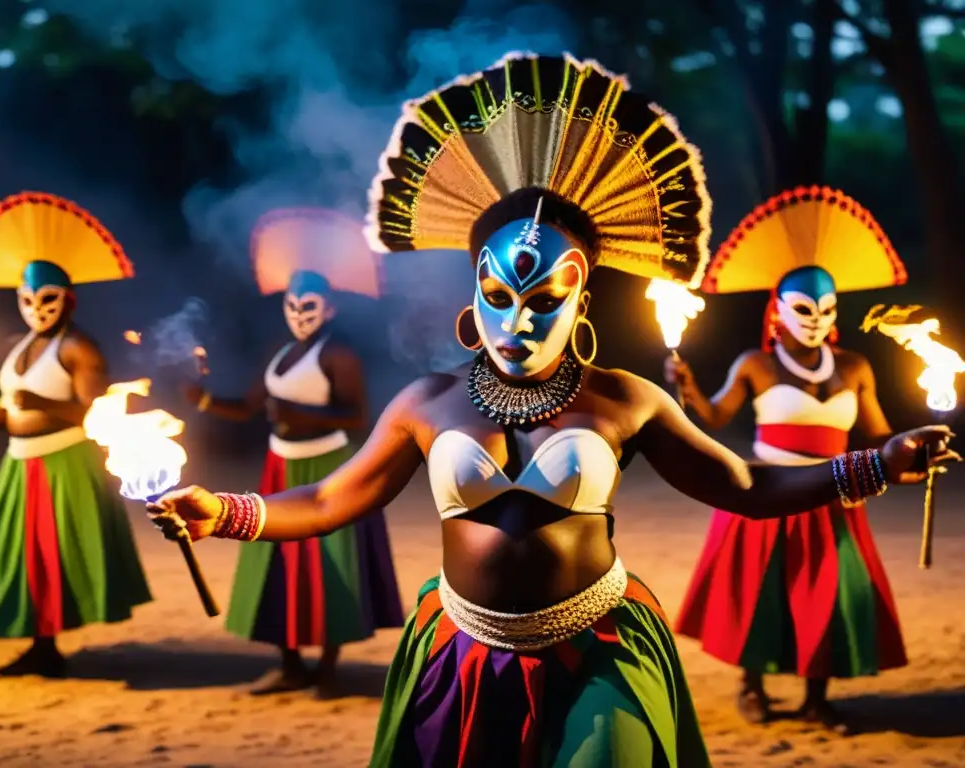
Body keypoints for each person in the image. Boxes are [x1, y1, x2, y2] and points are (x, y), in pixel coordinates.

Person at [149, 56, 957, 766]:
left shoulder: (625, 400)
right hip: (461, 651)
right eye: (498, 297)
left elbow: (744, 485)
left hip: (598, 648)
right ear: (472, 295)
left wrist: (877, 462)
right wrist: (218, 510)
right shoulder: (426, 403)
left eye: (544, 301)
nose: (518, 322)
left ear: (581, 301)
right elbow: (329, 498)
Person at [665, 186, 915, 732]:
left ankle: (816, 697)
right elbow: (711, 416)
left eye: (826, 308)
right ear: (777, 310)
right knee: (760, 594)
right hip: (765, 492)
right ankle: (751, 688)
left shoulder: (855, 367)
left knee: (825, 595)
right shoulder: (756, 362)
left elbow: (881, 436)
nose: (816, 318)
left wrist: (915, 450)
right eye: (803, 308)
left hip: (835, 495)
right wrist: (684, 387)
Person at [183, 208, 403, 697]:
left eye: (310, 307)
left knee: (330, 565)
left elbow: (355, 417)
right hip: (280, 464)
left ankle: (326, 668)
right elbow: (248, 407)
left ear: (330, 309)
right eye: (291, 306)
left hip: (328, 465)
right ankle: (289, 664)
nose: (299, 315)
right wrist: (201, 397)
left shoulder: (339, 356)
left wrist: (302, 415)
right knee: (275, 563)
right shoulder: (278, 354)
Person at [0, 192, 151, 678]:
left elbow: (99, 413)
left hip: (65, 464)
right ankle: (40, 644)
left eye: (48, 299)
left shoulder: (79, 349)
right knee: (25, 558)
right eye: (27, 299)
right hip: (21, 465)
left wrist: (41, 404)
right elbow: (11, 413)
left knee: (57, 558)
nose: (37, 308)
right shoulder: (17, 347)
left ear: (68, 299)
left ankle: (47, 646)